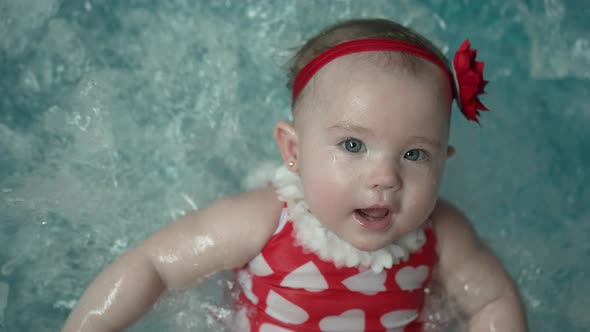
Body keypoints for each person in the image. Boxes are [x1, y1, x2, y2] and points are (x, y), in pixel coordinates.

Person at [62, 18, 527, 332]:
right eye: (352, 145)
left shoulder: (443, 235)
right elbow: (154, 265)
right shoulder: (264, 221)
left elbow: (492, 300)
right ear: (294, 152)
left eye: (414, 154)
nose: (385, 176)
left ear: (444, 160)